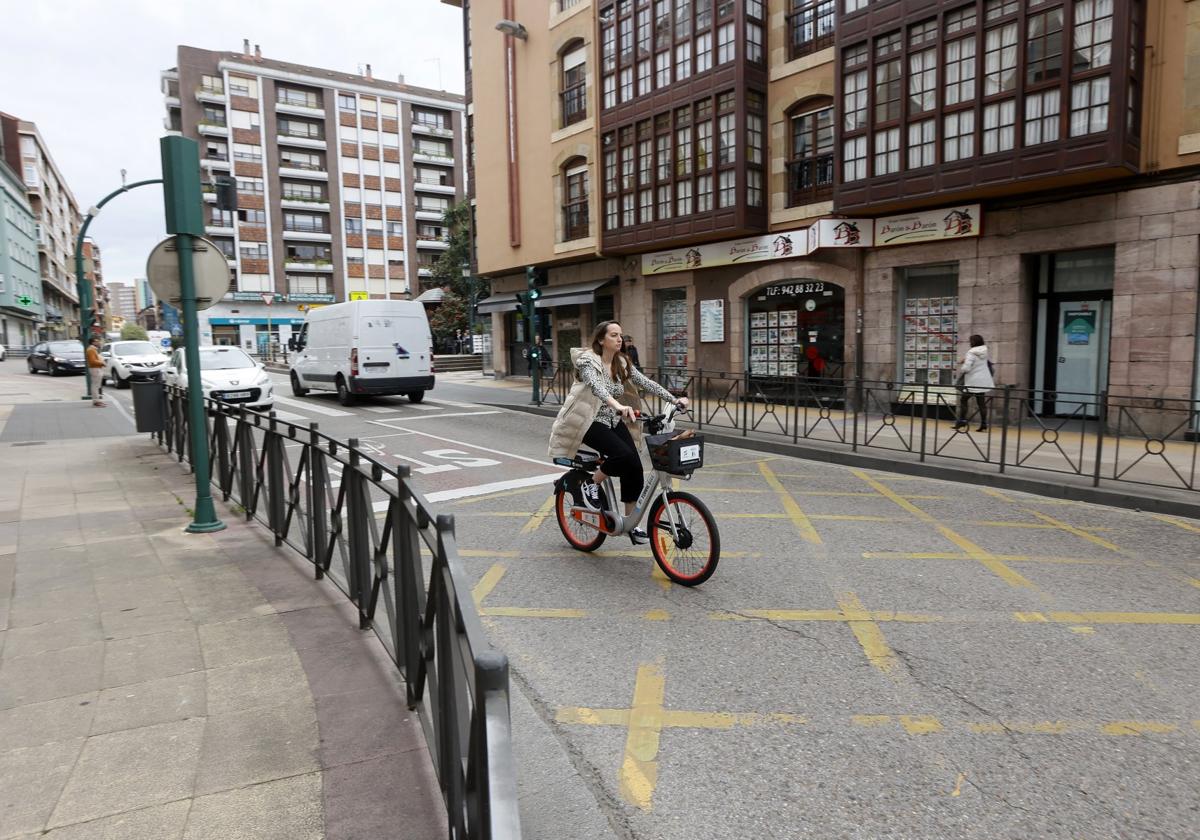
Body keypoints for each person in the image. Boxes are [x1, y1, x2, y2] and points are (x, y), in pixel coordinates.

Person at [548, 321, 689, 545]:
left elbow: (645, 382)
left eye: (620, 335)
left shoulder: (621, 362)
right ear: (601, 340)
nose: (619, 339)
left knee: (633, 465)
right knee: (622, 456)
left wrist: (674, 400)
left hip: (612, 421)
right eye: (614, 335)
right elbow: (598, 388)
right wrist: (618, 406)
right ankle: (590, 485)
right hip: (588, 421)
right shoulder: (588, 361)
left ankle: (631, 523)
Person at [953, 334, 994, 432]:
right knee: (981, 403)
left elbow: (966, 368)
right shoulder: (985, 351)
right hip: (983, 381)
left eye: (970, 341)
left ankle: (962, 421)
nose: (969, 343)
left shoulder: (971, 353)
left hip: (972, 381)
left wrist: (962, 365)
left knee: (963, 400)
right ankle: (984, 424)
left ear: (973, 342)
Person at [85, 337, 106, 408]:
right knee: (95, 386)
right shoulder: (91, 350)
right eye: (96, 341)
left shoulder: (93, 349)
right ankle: (96, 401)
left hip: (96, 369)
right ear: (93, 342)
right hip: (95, 369)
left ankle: (97, 401)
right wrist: (102, 363)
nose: (98, 342)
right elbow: (92, 361)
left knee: (96, 386)